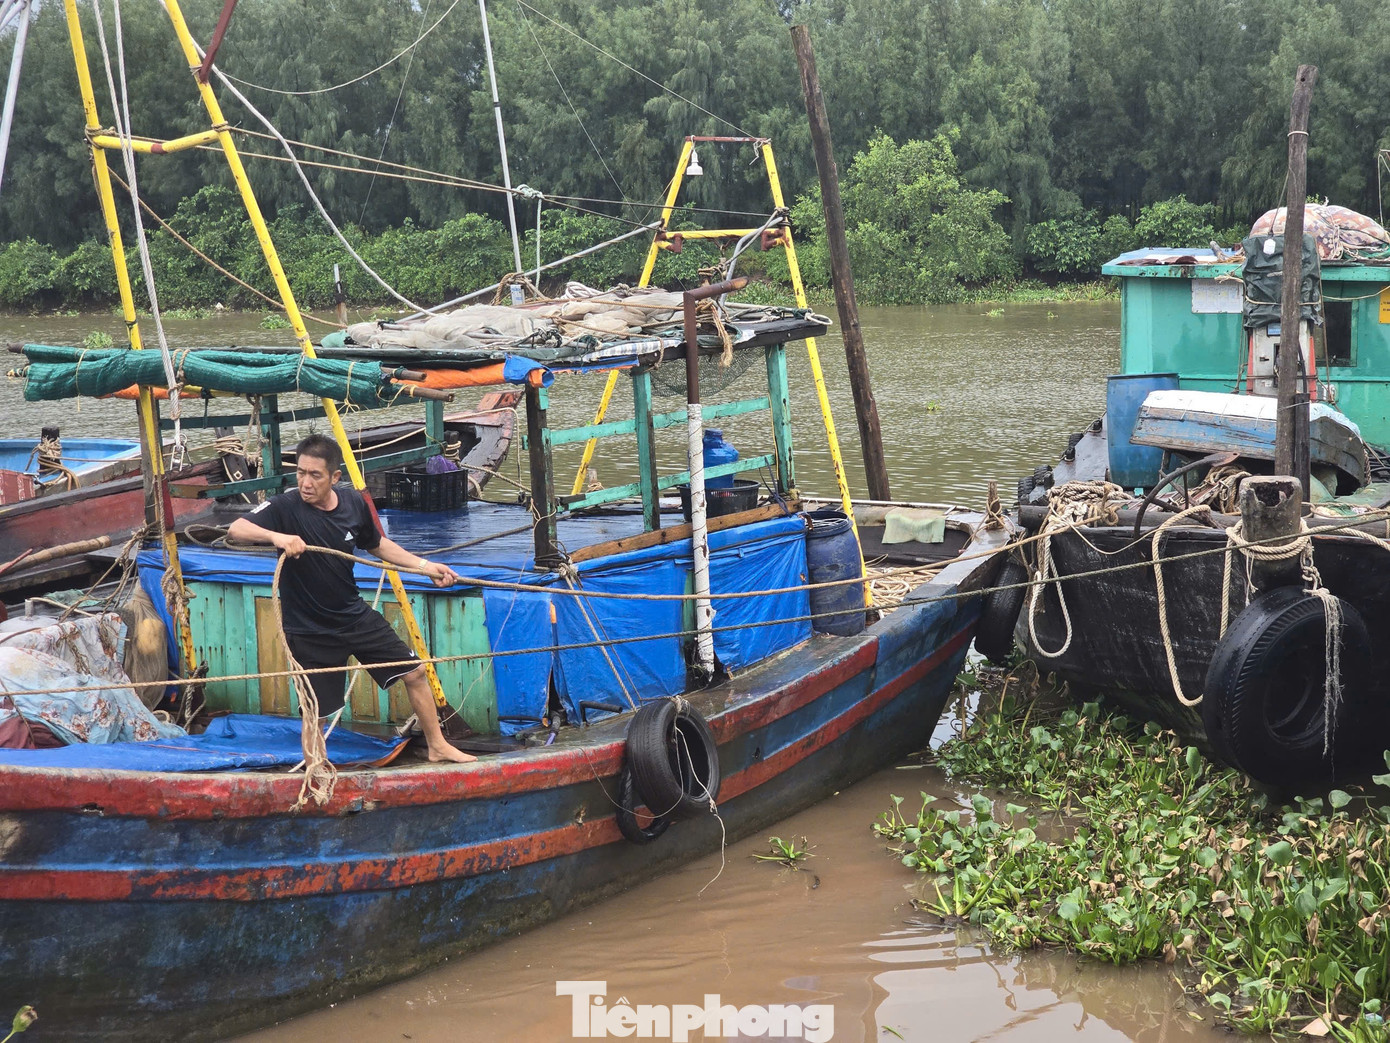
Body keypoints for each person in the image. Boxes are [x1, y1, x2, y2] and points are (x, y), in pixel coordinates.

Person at [227, 433, 475, 764]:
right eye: (300, 473)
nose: (305, 482)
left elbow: (378, 544)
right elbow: (236, 528)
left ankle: (437, 745)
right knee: (314, 711)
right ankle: (316, 771)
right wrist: (277, 536)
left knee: (415, 672)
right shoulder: (285, 506)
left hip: (352, 615)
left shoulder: (353, 504)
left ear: (335, 478)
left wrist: (425, 566)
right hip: (308, 628)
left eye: (315, 475)